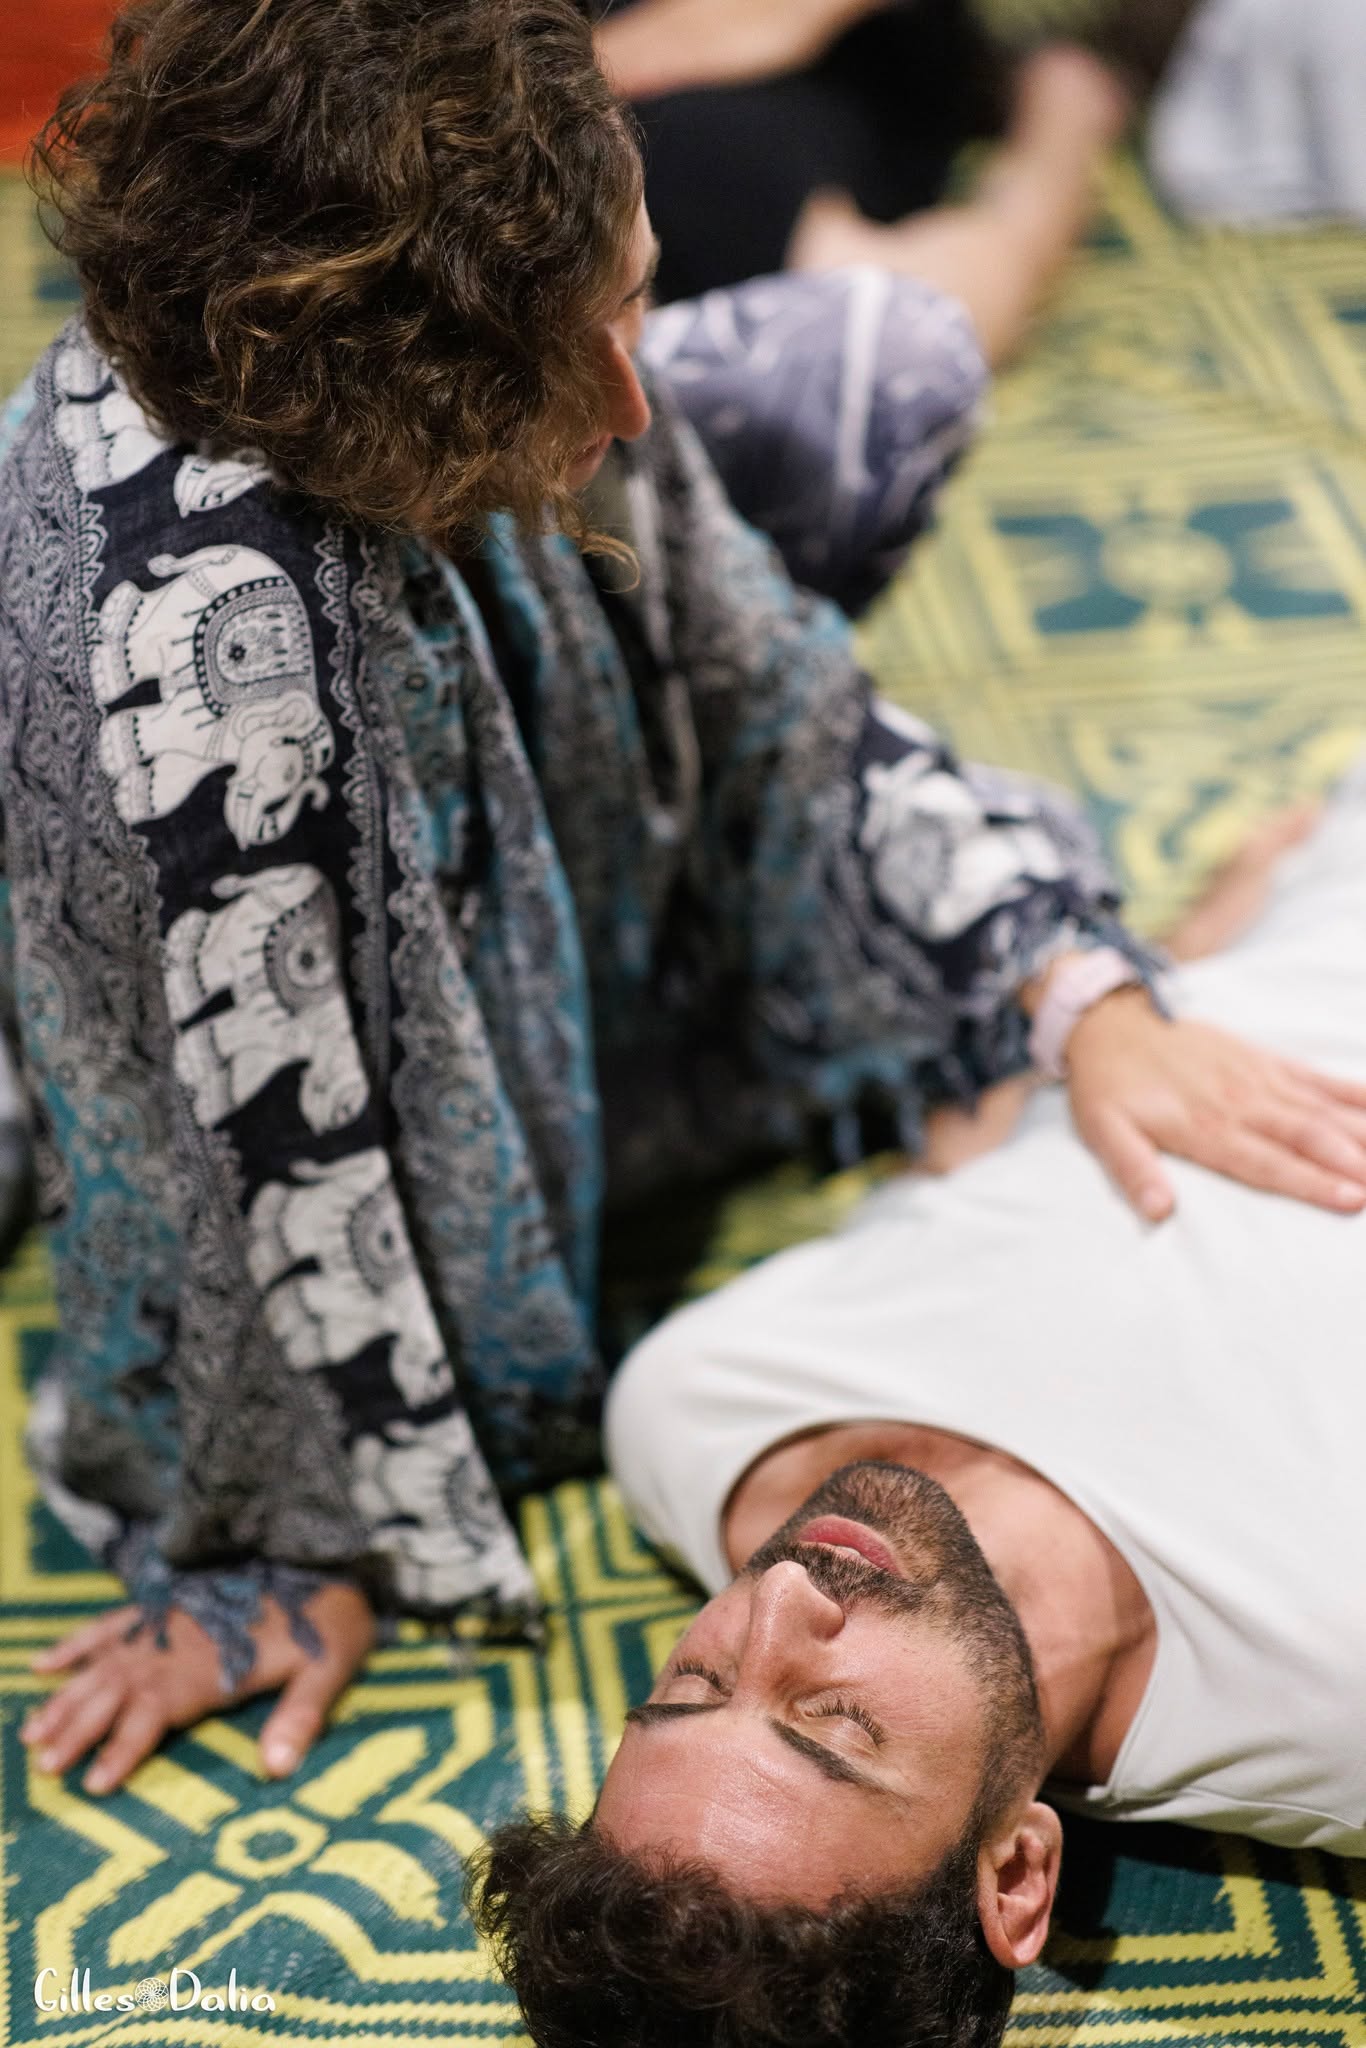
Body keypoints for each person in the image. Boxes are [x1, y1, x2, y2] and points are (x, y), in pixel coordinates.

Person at [6, 0, 1366, 1804]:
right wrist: (276, 1528)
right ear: (396, 398)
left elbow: (773, 678)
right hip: (242, 958)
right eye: (593, 346)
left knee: (883, 359)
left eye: (634, 298)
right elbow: (210, 1139)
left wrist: (1070, 984)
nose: (640, 401)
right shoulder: (185, 684)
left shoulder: (522, 354)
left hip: (567, 883)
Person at [468, 772, 1366, 2045]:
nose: (780, 1593)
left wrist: (1198, 937)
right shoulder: (1329, 1674)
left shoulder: (699, 1405)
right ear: (1016, 1873)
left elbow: (993, 1144)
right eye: (834, 1717)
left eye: (687, 1679)